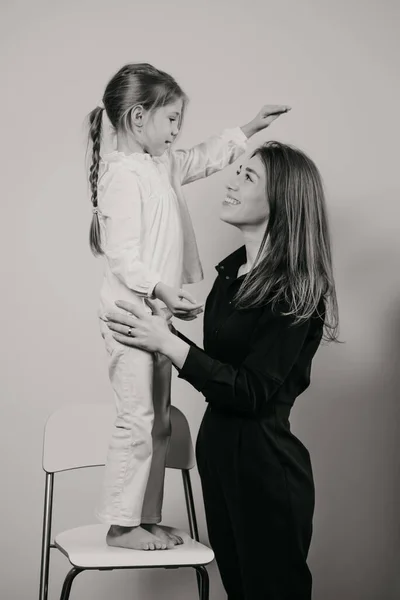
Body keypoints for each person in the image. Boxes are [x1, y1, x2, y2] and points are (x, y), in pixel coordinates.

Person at [103, 140, 339, 599]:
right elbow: (224, 370)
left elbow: (250, 391)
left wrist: (169, 345)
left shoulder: (295, 286)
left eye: (247, 177)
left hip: (265, 468)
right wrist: (160, 335)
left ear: (282, 198)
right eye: (236, 171)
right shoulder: (231, 274)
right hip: (220, 458)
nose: (230, 182)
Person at [86, 61, 290, 551]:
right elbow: (122, 257)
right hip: (130, 318)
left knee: (160, 420)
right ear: (139, 118)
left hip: (153, 319)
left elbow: (203, 158)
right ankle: (120, 524)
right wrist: (160, 289)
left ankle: (145, 515)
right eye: (172, 119)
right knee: (136, 420)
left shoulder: (159, 164)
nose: (178, 131)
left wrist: (248, 128)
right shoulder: (121, 177)